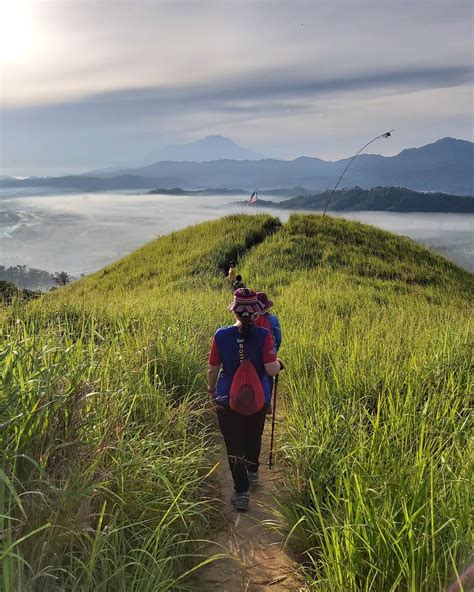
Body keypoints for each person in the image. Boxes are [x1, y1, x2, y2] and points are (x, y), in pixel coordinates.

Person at [208, 288, 281, 511]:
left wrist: (211, 390)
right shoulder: (264, 336)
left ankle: (241, 492)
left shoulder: (221, 335)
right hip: (259, 397)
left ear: (235, 312)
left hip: (227, 397)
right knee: (253, 435)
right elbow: (270, 369)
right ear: (256, 314)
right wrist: (280, 365)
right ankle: (253, 472)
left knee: (233, 443)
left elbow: (213, 369)